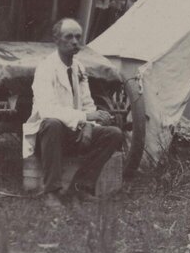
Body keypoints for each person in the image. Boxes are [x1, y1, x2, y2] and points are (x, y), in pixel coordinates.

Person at [22, 18, 124, 209]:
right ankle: (51, 191)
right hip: (48, 138)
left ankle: (81, 187)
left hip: (74, 133)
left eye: (78, 37)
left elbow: (87, 104)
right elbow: (46, 109)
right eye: (69, 37)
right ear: (56, 39)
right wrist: (84, 119)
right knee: (52, 123)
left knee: (114, 134)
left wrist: (88, 124)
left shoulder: (78, 67)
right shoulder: (45, 68)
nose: (75, 42)